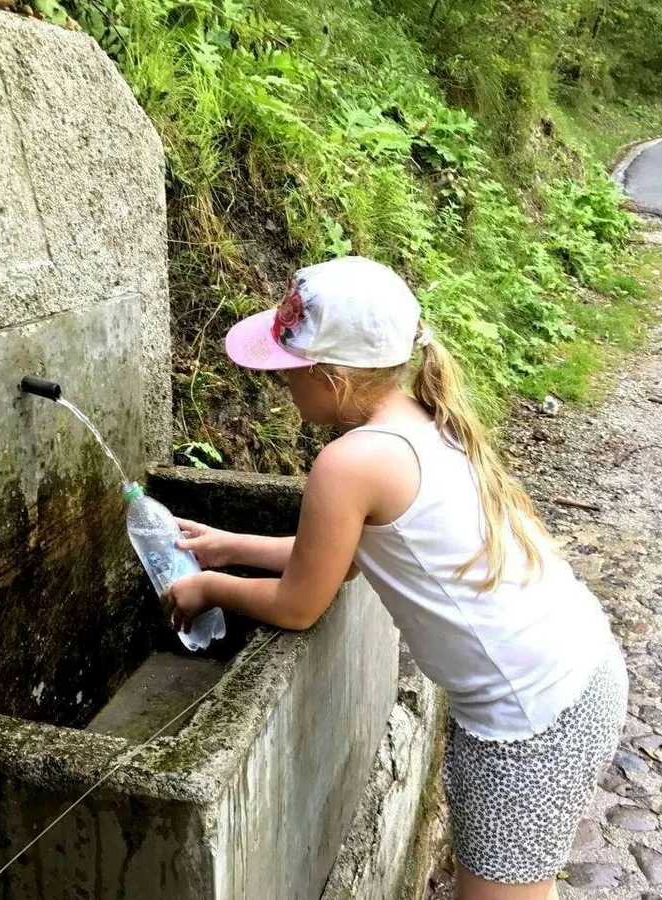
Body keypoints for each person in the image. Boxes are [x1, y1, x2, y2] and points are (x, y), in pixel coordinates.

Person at [161, 256, 628, 900]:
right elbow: (345, 557)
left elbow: (299, 604)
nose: (279, 385)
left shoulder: (348, 462)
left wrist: (207, 588)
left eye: (286, 371)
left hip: (532, 718)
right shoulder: (424, 418)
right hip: (580, 668)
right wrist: (227, 545)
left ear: (329, 378)